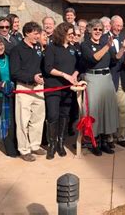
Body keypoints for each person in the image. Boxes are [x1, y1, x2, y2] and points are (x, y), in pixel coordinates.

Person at [81, 19, 125, 155]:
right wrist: (107, 46)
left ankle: (104, 141)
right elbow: (94, 58)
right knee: (94, 110)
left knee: (107, 110)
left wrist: (123, 48)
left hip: (107, 78)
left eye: (100, 29)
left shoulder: (105, 43)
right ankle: (94, 142)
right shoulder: (85, 45)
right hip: (93, 79)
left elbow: (115, 59)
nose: (97, 31)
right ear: (90, 30)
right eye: (95, 29)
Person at [10, 21, 47, 162]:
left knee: (38, 118)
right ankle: (24, 150)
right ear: (27, 33)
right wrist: (32, 77)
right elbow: (14, 72)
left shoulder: (38, 47)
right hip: (24, 88)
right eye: (35, 33)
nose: (38, 36)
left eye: (39, 33)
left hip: (38, 88)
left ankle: (35, 145)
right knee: (22, 120)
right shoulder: (17, 50)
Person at [43, 22, 80, 159]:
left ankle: (60, 143)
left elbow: (78, 65)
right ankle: (51, 145)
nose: (72, 36)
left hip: (68, 89)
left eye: (73, 34)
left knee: (65, 115)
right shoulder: (52, 48)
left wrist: (75, 75)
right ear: (62, 34)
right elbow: (48, 68)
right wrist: (65, 75)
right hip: (53, 86)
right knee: (53, 115)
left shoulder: (73, 49)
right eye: (70, 34)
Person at [108, 16, 125, 147]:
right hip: (109, 78)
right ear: (111, 25)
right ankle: (110, 137)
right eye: (116, 25)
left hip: (122, 77)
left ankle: (121, 136)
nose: (118, 28)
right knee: (111, 109)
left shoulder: (124, 37)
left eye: (120, 26)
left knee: (122, 109)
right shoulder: (104, 38)